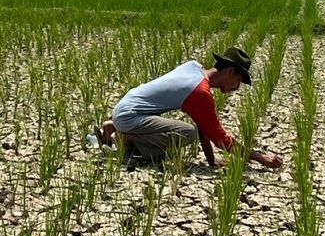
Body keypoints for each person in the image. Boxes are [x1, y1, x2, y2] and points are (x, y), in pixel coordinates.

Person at [95, 46, 282, 169]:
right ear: (230, 71)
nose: (237, 87)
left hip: (126, 106)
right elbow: (221, 139)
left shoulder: (193, 67)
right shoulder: (200, 92)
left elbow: (204, 127)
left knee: (189, 131)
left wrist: (211, 161)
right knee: (187, 134)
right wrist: (261, 158)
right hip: (131, 116)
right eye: (238, 81)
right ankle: (123, 138)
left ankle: (115, 126)